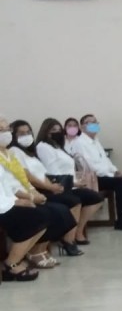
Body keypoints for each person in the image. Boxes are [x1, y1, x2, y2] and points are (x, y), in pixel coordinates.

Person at [10, 119, 102, 248]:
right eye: (21, 133)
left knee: (92, 197)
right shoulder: (29, 148)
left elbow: (43, 173)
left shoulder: (38, 150)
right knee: (72, 202)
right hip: (41, 189)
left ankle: (73, 236)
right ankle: (67, 240)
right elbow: (31, 175)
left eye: (28, 132)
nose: (26, 136)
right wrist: (51, 187)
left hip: (57, 184)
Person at [0, 117, 76, 269]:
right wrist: (23, 199)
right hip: (7, 203)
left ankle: (35, 252)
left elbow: (15, 183)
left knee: (58, 211)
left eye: (7, 129)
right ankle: (12, 263)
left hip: (13, 197)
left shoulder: (10, 153)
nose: (6, 133)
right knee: (41, 215)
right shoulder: (16, 151)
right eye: (1, 130)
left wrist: (32, 195)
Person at [69, 114, 122, 230]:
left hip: (106, 174)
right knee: (121, 182)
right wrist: (112, 175)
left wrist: (116, 171)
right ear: (82, 126)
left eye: (95, 122)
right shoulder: (79, 143)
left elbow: (106, 160)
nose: (94, 125)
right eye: (90, 122)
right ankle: (121, 220)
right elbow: (90, 166)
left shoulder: (96, 141)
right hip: (94, 178)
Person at [0, 164, 46, 282]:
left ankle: (14, 260)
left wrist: (19, 200)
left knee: (42, 217)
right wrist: (14, 203)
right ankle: (11, 264)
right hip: (2, 207)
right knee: (32, 219)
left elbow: (6, 186)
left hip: (6, 204)